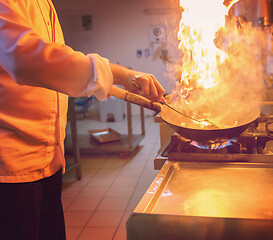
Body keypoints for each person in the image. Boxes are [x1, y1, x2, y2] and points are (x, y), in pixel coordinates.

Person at [0, 0, 165, 239]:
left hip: (48, 160)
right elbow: (26, 58)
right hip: (12, 165)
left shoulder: (43, 3)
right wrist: (121, 74)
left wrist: (113, 79)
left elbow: (58, 64)